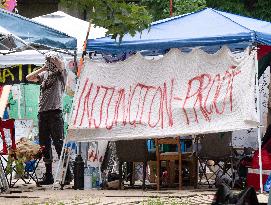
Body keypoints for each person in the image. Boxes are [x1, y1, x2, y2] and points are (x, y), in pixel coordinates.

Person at [26, 51, 71, 185]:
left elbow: (61, 65)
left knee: (58, 144)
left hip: (55, 113)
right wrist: (44, 67)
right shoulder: (45, 74)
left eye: (51, 62)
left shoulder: (61, 74)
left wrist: (54, 58)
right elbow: (28, 77)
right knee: (44, 145)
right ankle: (49, 175)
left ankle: (68, 173)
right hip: (42, 113)